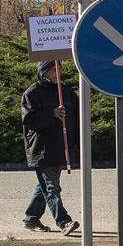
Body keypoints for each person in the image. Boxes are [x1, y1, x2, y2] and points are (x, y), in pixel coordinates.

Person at [20, 60, 79, 235]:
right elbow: (29, 121)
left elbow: (78, 119)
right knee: (52, 187)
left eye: (59, 68)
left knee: (44, 186)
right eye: (53, 69)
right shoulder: (32, 93)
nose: (57, 72)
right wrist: (51, 113)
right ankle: (64, 221)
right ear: (43, 72)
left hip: (63, 147)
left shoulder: (67, 93)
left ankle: (31, 218)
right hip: (42, 149)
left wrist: (78, 143)